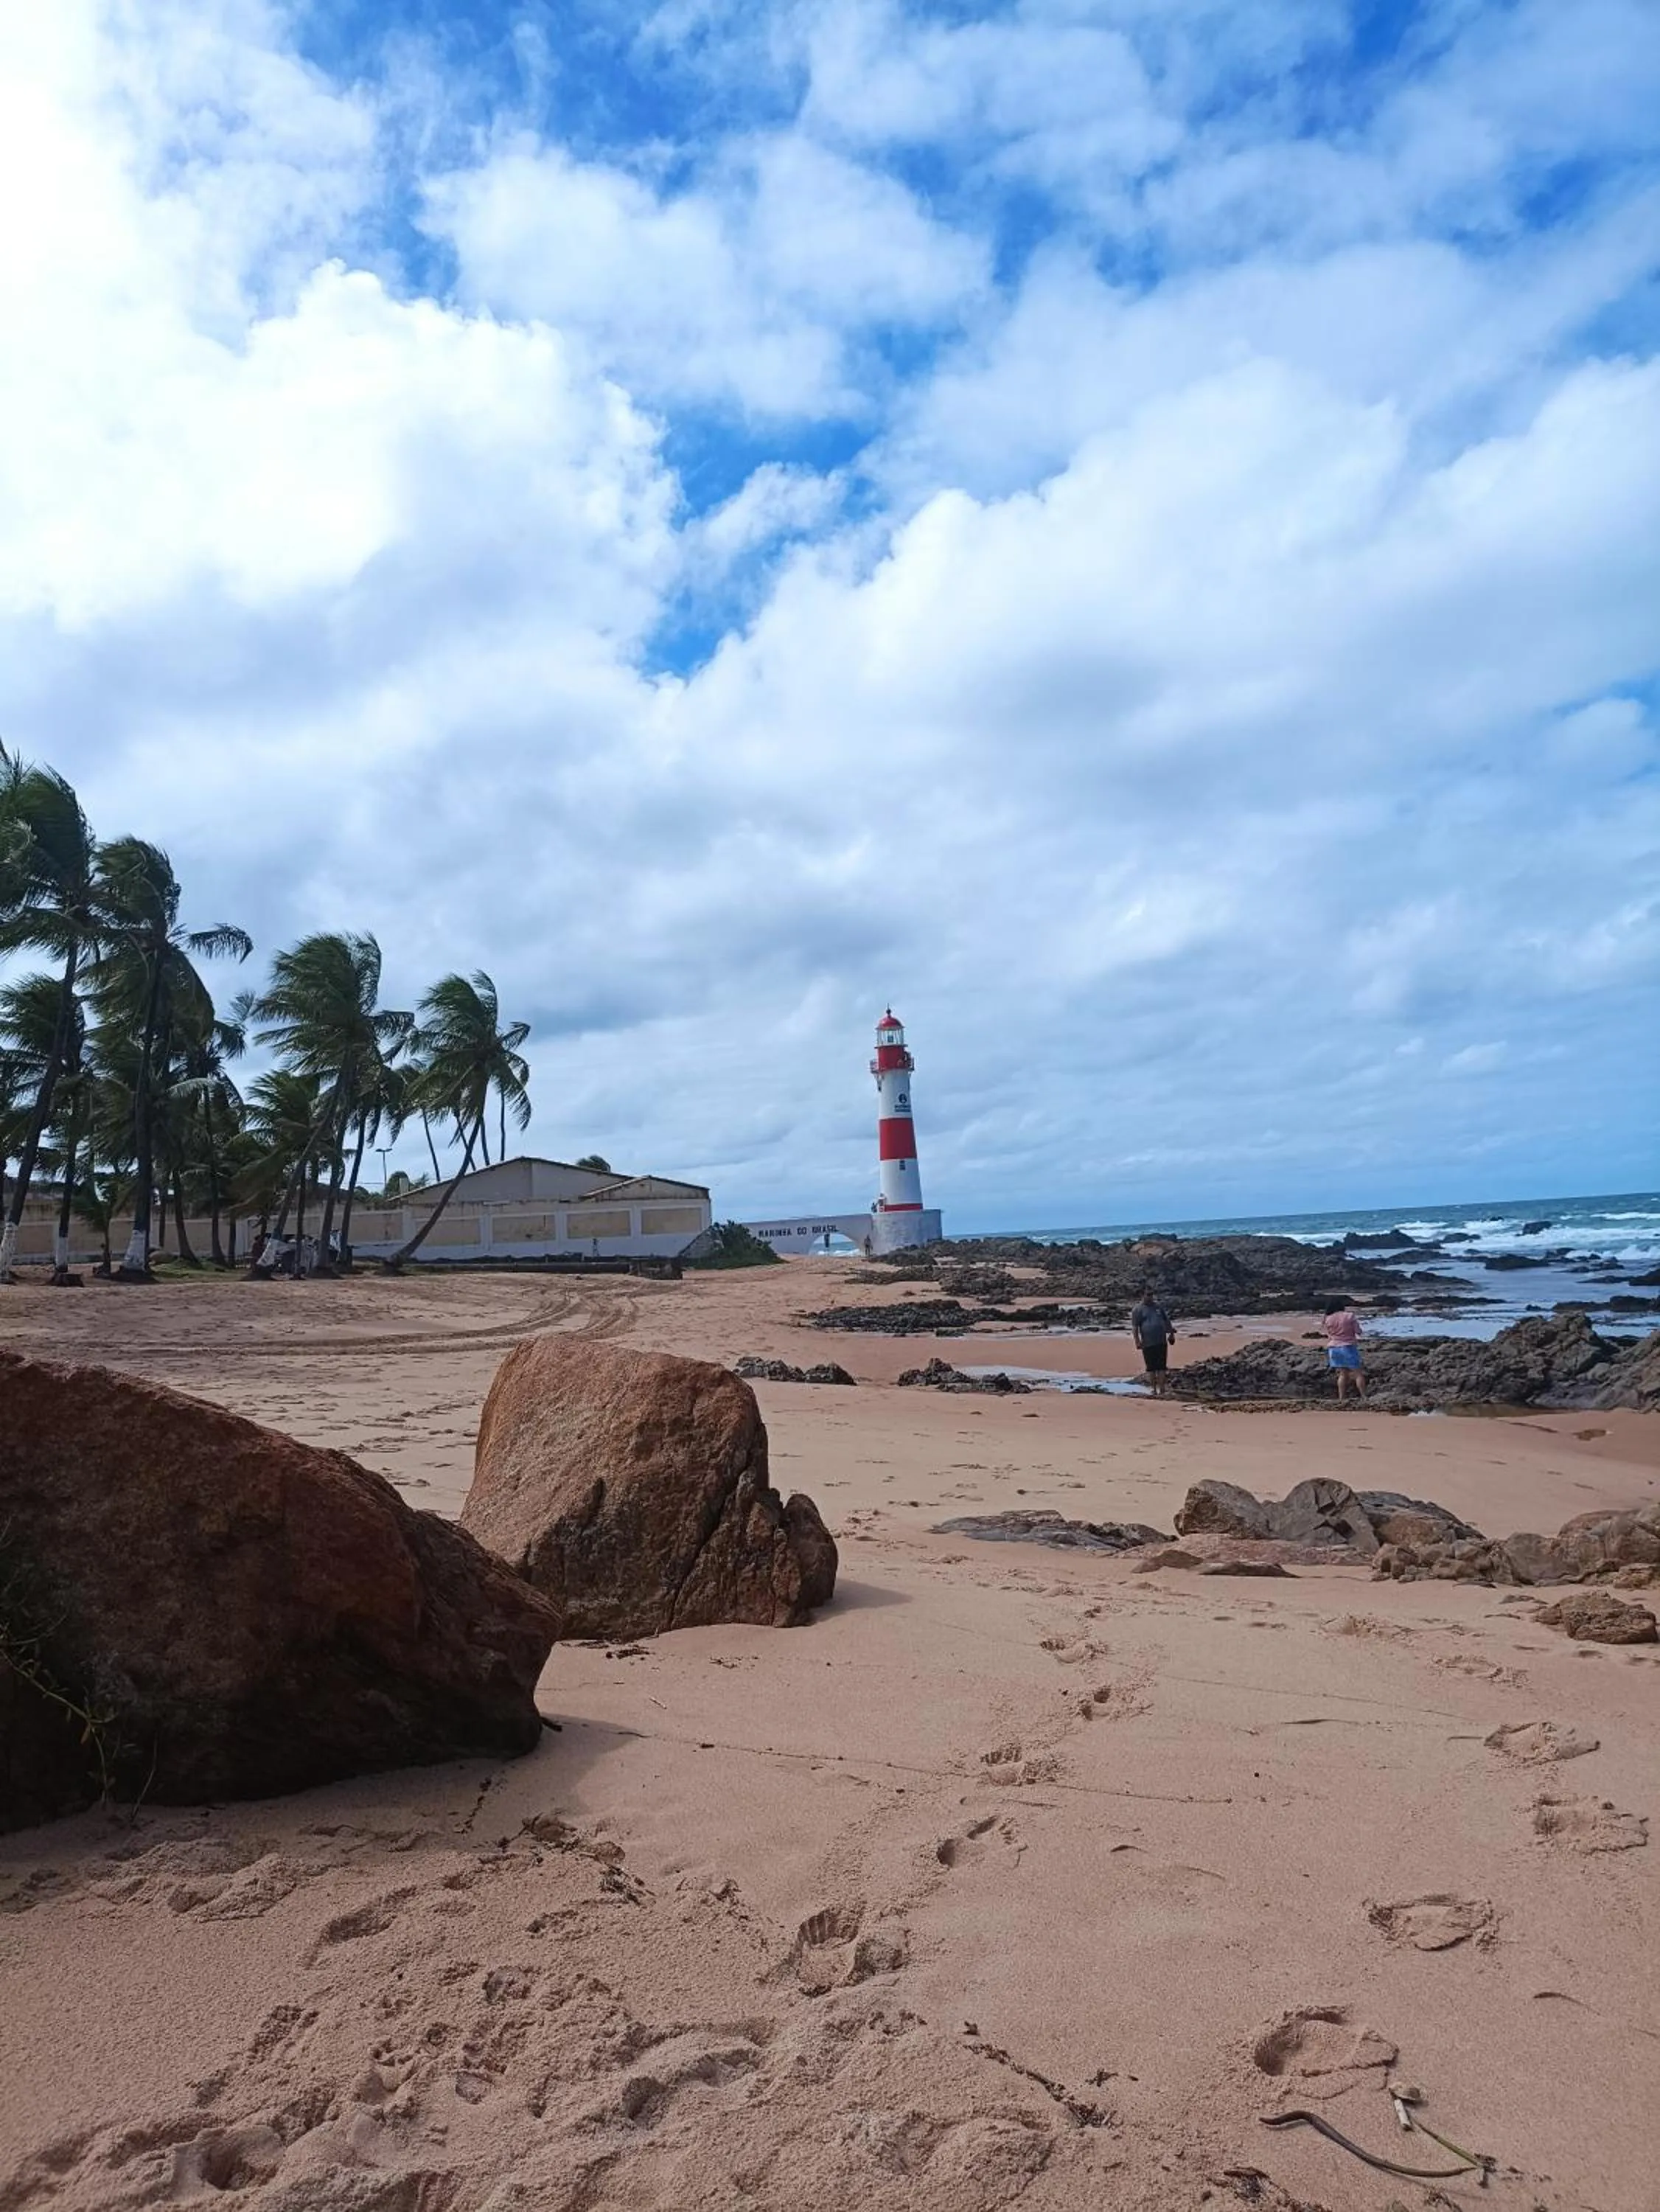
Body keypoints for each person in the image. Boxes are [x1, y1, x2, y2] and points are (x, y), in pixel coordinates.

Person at [1130, 1287, 1176, 1397]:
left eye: (1151, 1295)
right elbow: (1135, 1327)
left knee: (1162, 1366)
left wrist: (1171, 1334)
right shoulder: (1138, 1310)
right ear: (1142, 1296)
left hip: (1161, 1341)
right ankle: (1154, 1389)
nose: (1150, 1297)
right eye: (1148, 1295)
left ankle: (1162, 1389)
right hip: (1147, 1342)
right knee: (1151, 1368)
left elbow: (1166, 1321)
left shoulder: (1159, 1307)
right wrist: (1137, 1341)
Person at [1322, 1295, 1365, 1399]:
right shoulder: (1349, 1316)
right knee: (1358, 1374)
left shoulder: (1328, 1318)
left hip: (1333, 1348)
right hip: (1348, 1346)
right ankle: (1364, 1396)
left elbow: (1330, 1334)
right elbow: (1358, 1331)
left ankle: (1341, 1398)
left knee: (1343, 1374)